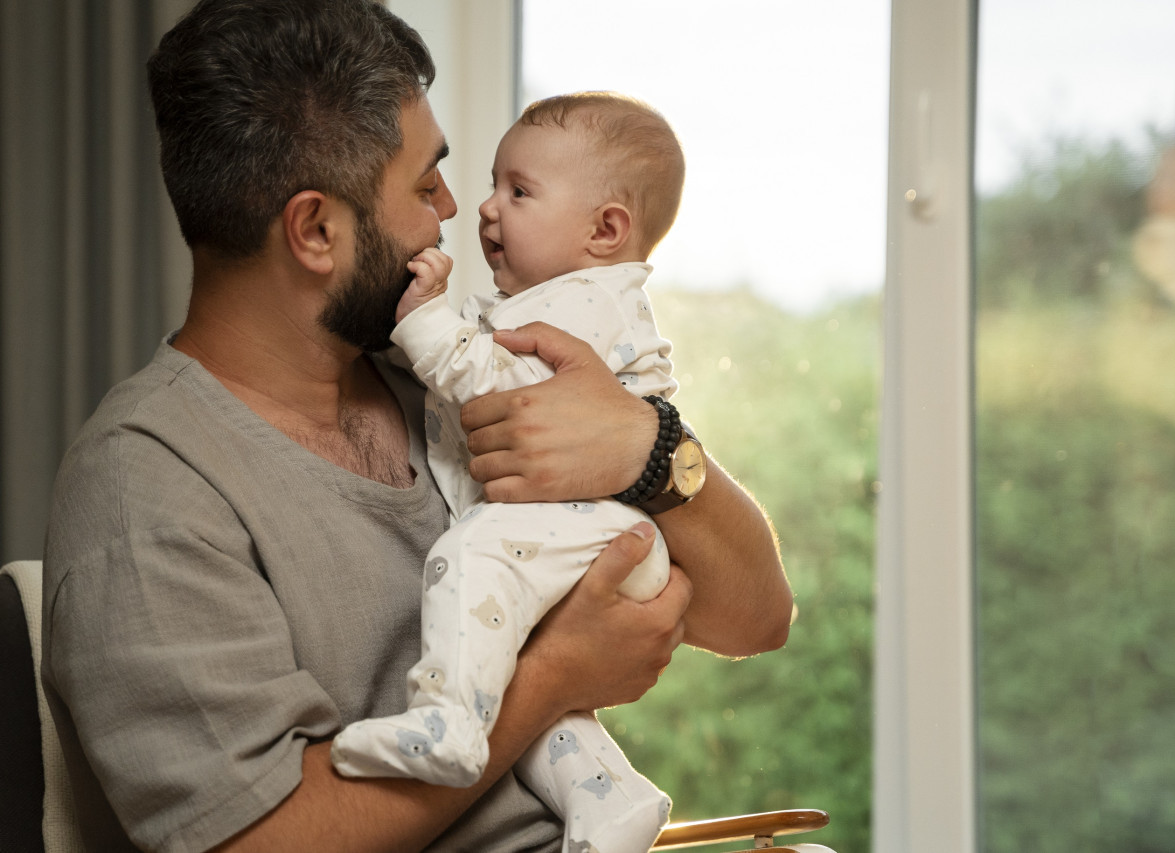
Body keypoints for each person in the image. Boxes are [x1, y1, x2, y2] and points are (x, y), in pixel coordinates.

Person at [41, 1, 792, 851]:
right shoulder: (150, 488)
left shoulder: (435, 385)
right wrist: (546, 682)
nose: (452, 208)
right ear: (317, 230)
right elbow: (257, 843)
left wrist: (648, 449)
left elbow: (756, 619)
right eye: (424, 181)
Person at [331, 92, 697, 853]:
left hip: (595, 530)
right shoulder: (545, 300)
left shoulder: (589, 304)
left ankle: (448, 718)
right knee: (535, 711)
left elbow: (503, 393)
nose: (485, 210)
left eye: (518, 191)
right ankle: (609, 803)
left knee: (469, 555)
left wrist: (422, 321)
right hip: (588, 533)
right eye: (493, 184)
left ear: (605, 231)